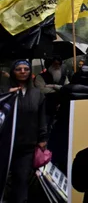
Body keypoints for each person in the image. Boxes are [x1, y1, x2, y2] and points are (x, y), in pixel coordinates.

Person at [2, 60, 48, 203]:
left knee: (21, 181)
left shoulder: (37, 94)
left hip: (27, 145)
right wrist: (6, 96)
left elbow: (41, 118)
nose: (23, 72)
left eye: (26, 69)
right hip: (5, 144)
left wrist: (42, 139)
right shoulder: (4, 91)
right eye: (19, 69)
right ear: (13, 72)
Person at [34, 56, 69, 134]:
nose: (57, 67)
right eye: (54, 64)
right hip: (45, 108)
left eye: (59, 64)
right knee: (44, 129)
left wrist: (53, 86)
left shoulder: (64, 77)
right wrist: (60, 90)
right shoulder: (40, 77)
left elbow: (67, 89)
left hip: (60, 109)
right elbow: (41, 90)